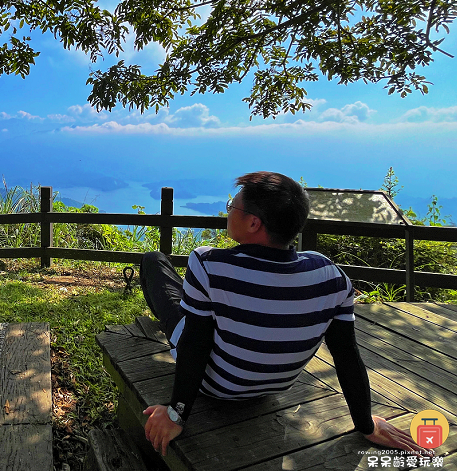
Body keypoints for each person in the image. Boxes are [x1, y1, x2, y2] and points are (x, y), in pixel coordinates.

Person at [140, 171, 425, 457]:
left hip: (216, 385)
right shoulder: (330, 276)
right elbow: (346, 353)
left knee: (155, 264)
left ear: (254, 223)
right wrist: (366, 423)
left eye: (232, 207)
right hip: (273, 386)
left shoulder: (209, 264)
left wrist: (176, 414)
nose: (228, 211)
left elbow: (195, 343)